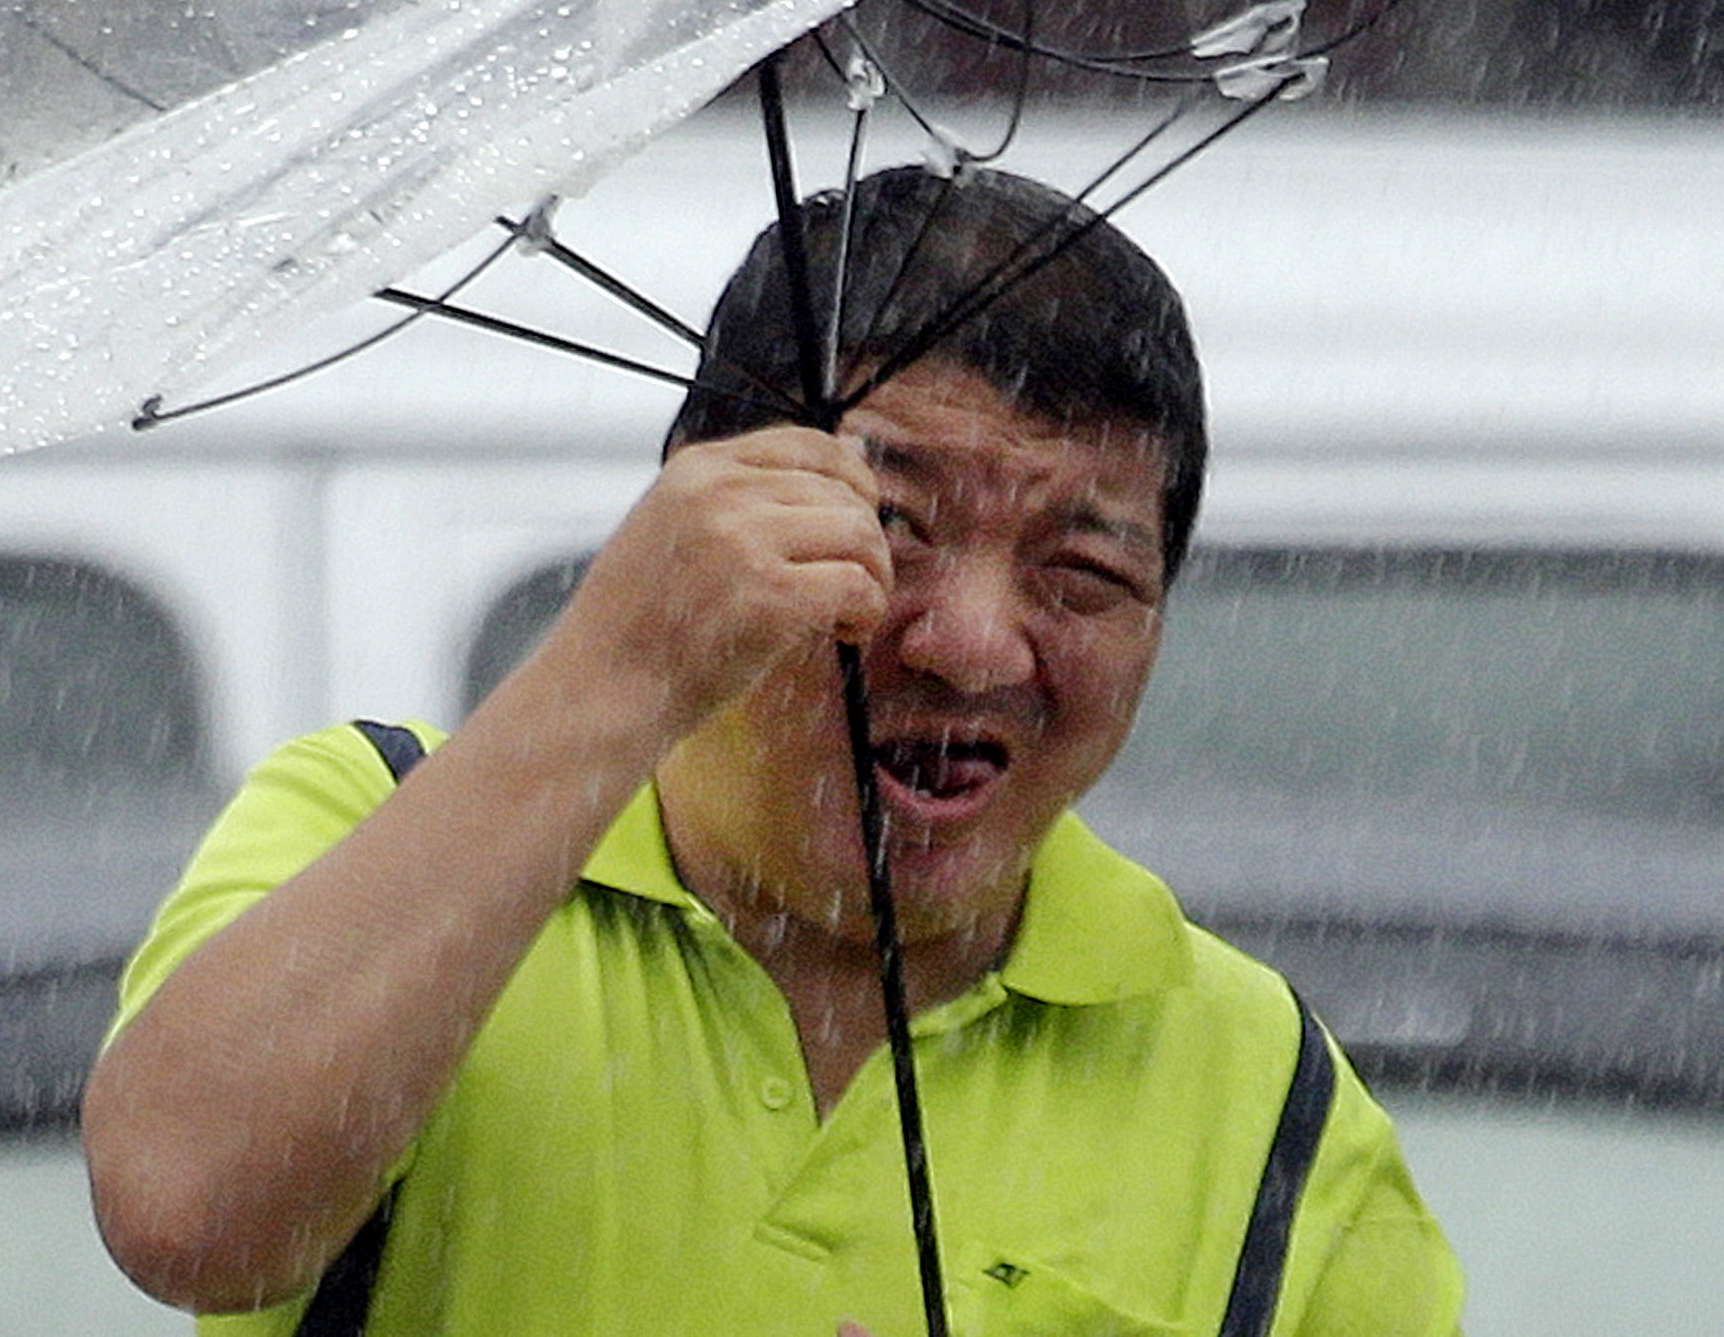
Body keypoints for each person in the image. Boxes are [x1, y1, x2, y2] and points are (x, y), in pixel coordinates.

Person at [83, 163, 1461, 1337]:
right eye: (893, 523)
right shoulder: (391, 822)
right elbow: (181, 1210)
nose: (974, 643)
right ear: (704, 494)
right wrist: (623, 653)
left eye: (1082, 572)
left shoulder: (1264, 1094)